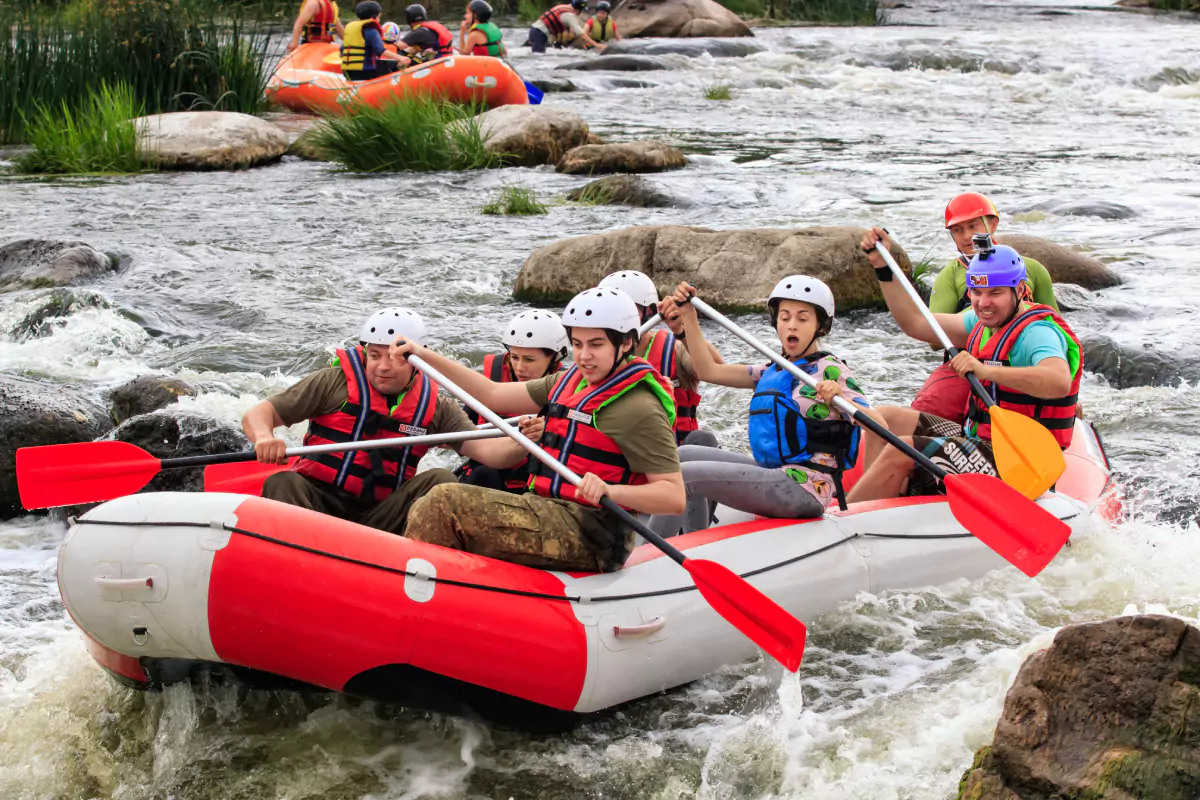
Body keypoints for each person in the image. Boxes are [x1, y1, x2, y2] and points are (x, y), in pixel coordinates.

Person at [393, 288, 685, 572]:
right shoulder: (570, 381)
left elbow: (673, 496)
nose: (584, 356)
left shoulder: (640, 407)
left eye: (596, 345)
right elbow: (492, 394)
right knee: (432, 499)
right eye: (578, 344)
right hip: (547, 509)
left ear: (626, 343)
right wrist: (422, 354)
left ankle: (413, 591)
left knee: (442, 504)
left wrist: (610, 491)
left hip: (594, 534)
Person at [241, 308, 544, 535]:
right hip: (317, 502)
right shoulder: (333, 382)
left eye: (395, 357)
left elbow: (490, 453)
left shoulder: (435, 405)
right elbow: (259, 414)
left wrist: (524, 441)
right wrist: (264, 437)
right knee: (282, 482)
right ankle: (292, 559)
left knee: (441, 480)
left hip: (381, 517)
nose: (382, 367)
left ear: (417, 360)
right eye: (375, 355)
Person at [849, 230, 1083, 503]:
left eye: (995, 293)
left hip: (1021, 458)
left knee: (901, 450)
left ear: (1019, 290)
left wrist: (986, 371)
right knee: (883, 418)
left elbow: (1058, 381)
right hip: (982, 439)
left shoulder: (1037, 333)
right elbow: (915, 323)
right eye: (977, 292)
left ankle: (855, 516)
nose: (983, 303)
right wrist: (882, 266)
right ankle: (880, 503)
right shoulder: (980, 323)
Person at [646, 278, 885, 538]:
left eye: (802, 318)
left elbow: (880, 426)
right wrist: (688, 318)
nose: (792, 324)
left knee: (684, 476)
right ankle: (695, 540)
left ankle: (653, 554)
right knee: (683, 454)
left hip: (805, 488)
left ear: (820, 326)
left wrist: (842, 399)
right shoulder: (773, 370)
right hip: (774, 472)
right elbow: (709, 371)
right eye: (785, 317)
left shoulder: (831, 370)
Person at [909, 192, 1061, 423]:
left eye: (973, 226)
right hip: (969, 367)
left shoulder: (1032, 269)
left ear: (993, 224)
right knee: (921, 413)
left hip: (1023, 363)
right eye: (957, 230)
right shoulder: (950, 275)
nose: (966, 236)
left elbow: (1056, 327)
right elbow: (934, 340)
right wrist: (981, 314)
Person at [597, 270, 721, 447]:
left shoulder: (676, 349)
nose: (614, 320)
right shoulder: (592, 359)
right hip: (623, 452)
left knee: (703, 439)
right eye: (607, 311)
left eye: (625, 310)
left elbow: (718, 369)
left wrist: (682, 330)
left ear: (649, 312)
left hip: (677, 454)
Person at [457, 310, 569, 492]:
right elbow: (455, 429)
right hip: (489, 476)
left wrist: (552, 432)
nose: (519, 368)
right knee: (484, 474)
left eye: (529, 359)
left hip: (534, 482)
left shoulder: (569, 389)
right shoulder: (492, 380)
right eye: (514, 357)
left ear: (554, 358)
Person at [341, 1, 410, 80]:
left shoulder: (352, 31)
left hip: (347, 72)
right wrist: (401, 58)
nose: (379, 20)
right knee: (396, 65)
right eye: (378, 17)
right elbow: (380, 50)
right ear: (373, 17)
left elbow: (342, 51)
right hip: (365, 72)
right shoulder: (372, 31)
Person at [528, 0, 604, 54]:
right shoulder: (570, 16)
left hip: (538, 31)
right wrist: (598, 45)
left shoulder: (566, 8)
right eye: (581, 10)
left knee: (540, 55)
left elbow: (572, 30)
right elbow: (581, 34)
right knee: (538, 56)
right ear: (578, 9)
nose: (580, 13)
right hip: (539, 33)